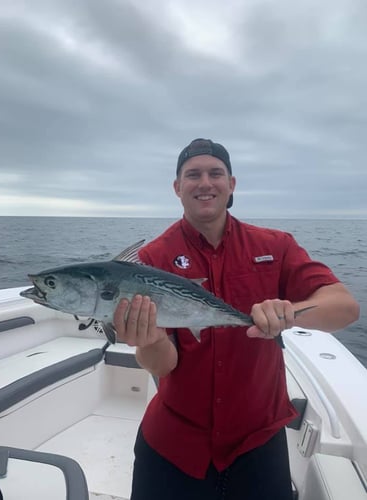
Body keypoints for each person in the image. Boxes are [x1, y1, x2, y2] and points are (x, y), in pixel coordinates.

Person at [114, 138, 360, 500]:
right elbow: (163, 365)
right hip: (176, 444)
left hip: (258, 442)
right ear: (177, 188)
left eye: (216, 173)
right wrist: (149, 339)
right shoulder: (153, 258)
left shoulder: (275, 246)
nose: (205, 183)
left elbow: (344, 306)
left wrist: (290, 315)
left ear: (232, 185)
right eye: (192, 174)